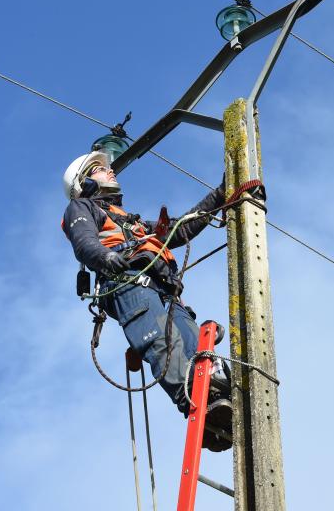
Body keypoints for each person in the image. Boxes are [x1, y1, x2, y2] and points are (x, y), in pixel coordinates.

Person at [61, 150, 232, 452]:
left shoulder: (132, 222)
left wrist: (220, 195)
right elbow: (84, 241)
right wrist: (106, 257)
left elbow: (181, 230)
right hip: (129, 283)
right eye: (100, 169)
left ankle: (219, 401)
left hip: (165, 288)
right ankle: (193, 403)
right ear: (84, 182)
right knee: (161, 342)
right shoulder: (81, 206)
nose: (110, 171)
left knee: (194, 341)